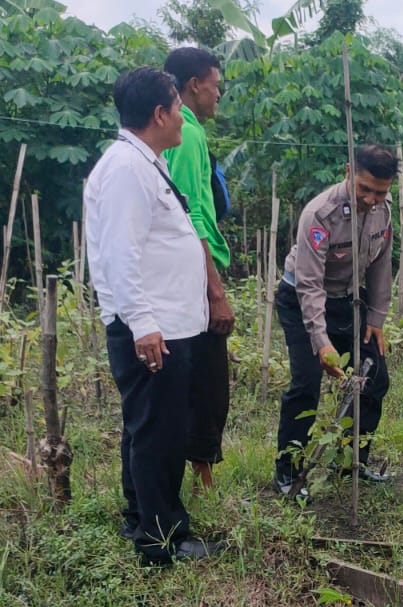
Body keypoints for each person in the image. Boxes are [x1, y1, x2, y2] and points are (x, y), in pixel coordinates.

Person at [84, 66, 218, 565]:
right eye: (178, 108)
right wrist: (143, 324)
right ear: (159, 113)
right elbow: (121, 254)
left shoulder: (144, 162)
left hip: (165, 324)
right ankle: (162, 539)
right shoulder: (125, 169)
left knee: (149, 426)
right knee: (159, 433)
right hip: (152, 327)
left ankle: (141, 516)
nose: (184, 116)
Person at [273, 144, 398, 499]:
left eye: (381, 191)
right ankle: (288, 471)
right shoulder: (320, 214)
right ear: (348, 172)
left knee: (375, 378)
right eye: (365, 189)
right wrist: (321, 341)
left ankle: (351, 462)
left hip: (348, 300)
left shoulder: (383, 212)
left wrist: (376, 317)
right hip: (302, 302)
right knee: (306, 385)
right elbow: (309, 285)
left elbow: (380, 265)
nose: (372, 199)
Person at [162, 46, 234, 494]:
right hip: (192, 275)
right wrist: (215, 289)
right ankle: (201, 482)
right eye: (216, 85)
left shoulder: (168, 134)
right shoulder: (186, 135)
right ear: (194, 85)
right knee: (206, 380)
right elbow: (194, 217)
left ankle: (193, 478)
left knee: (190, 377)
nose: (218, 95)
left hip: (178, 273)